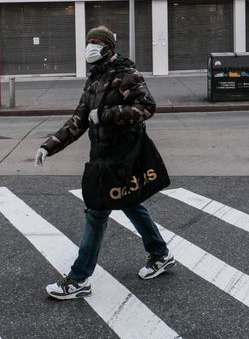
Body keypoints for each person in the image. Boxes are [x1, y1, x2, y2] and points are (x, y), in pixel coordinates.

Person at [35, 26, 175, 300]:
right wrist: (49, 145)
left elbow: (147, 107)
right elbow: (78, 120)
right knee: (130, 202)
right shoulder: (94, 82)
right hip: (104, 156)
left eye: (97, 43)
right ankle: (160, 254)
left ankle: (78, 279)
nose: (91, 47)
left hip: (122, 156)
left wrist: (108, 114)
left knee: (96, 211)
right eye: (89, 42)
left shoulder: (126, 76)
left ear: (109, 48)